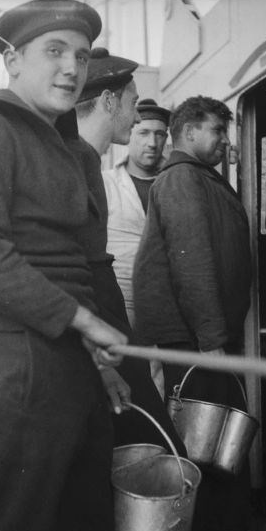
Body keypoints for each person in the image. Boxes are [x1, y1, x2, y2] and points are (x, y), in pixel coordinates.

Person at [0, 0, 127, 531]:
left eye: (82, 56)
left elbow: (82, 265)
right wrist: (84, 322)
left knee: (82, 528)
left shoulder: (73, 152)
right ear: (13, 60)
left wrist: (97, 360)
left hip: (75, 367)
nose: (72, 67)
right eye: (55, 51)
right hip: (20, 365)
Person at [132, 95, 252, 531]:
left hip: (202, 338)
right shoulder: (182, 178)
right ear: (188, 132)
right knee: (205, 450)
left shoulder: (199, 177)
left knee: (216, 445)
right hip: (197, 341)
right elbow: (193, 262)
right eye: (217, 131)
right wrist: (212, 339)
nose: (224, 141)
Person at [72, 47, 186, 455]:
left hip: (114, 326)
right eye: (134, 105)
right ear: (108, 101)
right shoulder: (80, 166)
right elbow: (73, 273)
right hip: (100, 333)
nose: (140, 118)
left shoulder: (82, 161)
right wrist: (103, 363)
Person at [103, 98, 171, 397]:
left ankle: (158, 443)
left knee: (160, 376)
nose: (153, 142)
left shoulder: (174, 182)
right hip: (121, 297)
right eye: (144, 133)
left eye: (160, 134)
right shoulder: (105, 182)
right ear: (130, 133)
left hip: (164, 298)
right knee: (123, 374)